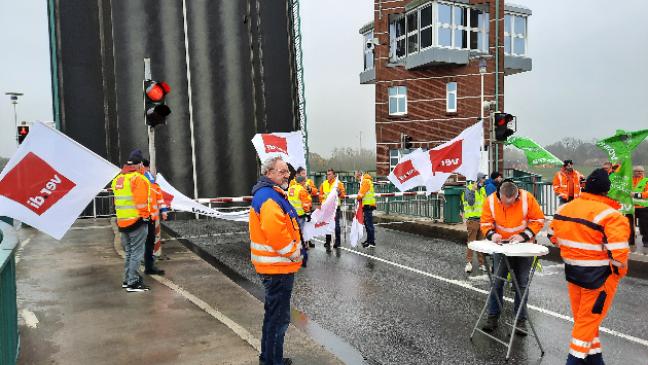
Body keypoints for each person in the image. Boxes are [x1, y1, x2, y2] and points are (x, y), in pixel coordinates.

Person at [550, 168, 630, 365]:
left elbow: (553, 237)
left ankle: (596, 361)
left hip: (573, 274)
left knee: (585, 322)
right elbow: (619, 257)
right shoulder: (612, 216)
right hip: (599, 280)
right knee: (586, 325)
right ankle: (573, 361)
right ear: (606, 191)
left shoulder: (564, 209)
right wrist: (618, 274)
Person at [249, 156, 302, 365]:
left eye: (287, 171)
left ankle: (272, 358)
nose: (287, 174)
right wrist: (293, 252)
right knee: (278, 319)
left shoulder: (270, 194)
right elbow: (276, 233)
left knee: (275, 317)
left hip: (276, 267)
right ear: (268, 173)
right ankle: (271, 361)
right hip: (277, 268)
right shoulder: (269, 197)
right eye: (282, 171)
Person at [480, 180, 545, 334]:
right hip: (502, 247)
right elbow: (485, 223)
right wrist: (492, 235)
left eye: (511, 202)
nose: (508, 206)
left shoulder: (527, 198)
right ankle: (493, 317)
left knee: (521, 284)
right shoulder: (490, 201)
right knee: (497, 282)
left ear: (516, 195)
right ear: (499, 195)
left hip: (523, 247)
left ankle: (520, 321)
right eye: (505, 202)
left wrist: (522, 236)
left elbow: (538, 220)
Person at [111, 149, 151, 292]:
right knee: (136, 252)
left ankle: (127, 279)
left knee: (129, 252)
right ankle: (133, 282)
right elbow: (141, 203)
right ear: (139, 164)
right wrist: (146, 216)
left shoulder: (118, 179)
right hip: (136, 221)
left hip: (122, 221)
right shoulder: (138, 179)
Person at [142, 158, 167, 275]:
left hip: (148, 217)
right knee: (146, 243)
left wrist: (163, 210)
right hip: (146, 217)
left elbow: (158, 196)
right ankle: (147, 266)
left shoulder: (149, 180)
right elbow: (158, 197)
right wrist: (163, 210)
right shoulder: (146, 180)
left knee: (148, 242)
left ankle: (149, 266)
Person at [461, 172, 487, 273]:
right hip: (472, 220)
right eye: (483, 178)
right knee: (471, 243)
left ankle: (481, 264)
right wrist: (472, 190)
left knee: (481, 243)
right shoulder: (469, 189)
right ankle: (469, 263)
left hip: (482, 220)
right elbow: (471, 202)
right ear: (478, 179)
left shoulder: (483, 189)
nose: (484, 180)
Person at [319, 169, 346, 252]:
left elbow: (343, 195)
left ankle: (337, 242)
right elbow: (320, 195)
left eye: (330, 174)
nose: (328, 176)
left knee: (336, 225)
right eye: (327, 174)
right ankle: (327, 242)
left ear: (334, 175)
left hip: (335, 207)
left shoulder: (339, 184)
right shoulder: (324, 184)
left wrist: (339, 193)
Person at [288, 175, 312, 267]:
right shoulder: (301, 190)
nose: (305, 183)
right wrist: (308, 213)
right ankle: (298, 256)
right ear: (301, 182)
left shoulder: (291, 189)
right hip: (299, 215)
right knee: (299, 236)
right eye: (304, 182)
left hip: (291, 215)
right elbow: (305, 204)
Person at [356, 170, 377, 248]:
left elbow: (361, 194)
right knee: (367, 224)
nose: (355, 176)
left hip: (368, 205)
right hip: (368, 204)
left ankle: (371, 242)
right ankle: (368, 240)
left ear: (359, 174)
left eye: (355, 174)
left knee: (369, 224)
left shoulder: (365, 181)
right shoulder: (366, 181)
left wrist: (357, 197)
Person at [632, 165, 648, 249]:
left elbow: (647, 194)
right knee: (630, 226)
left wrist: (636, 195)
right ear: (634, 172)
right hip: (631, 208)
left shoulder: (646, 181)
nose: (640, 173)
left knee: (645, 226)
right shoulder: (628, 181)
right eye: (637, 171)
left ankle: (646, 241)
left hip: (643, 208)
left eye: (641, 171)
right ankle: (631, 241)